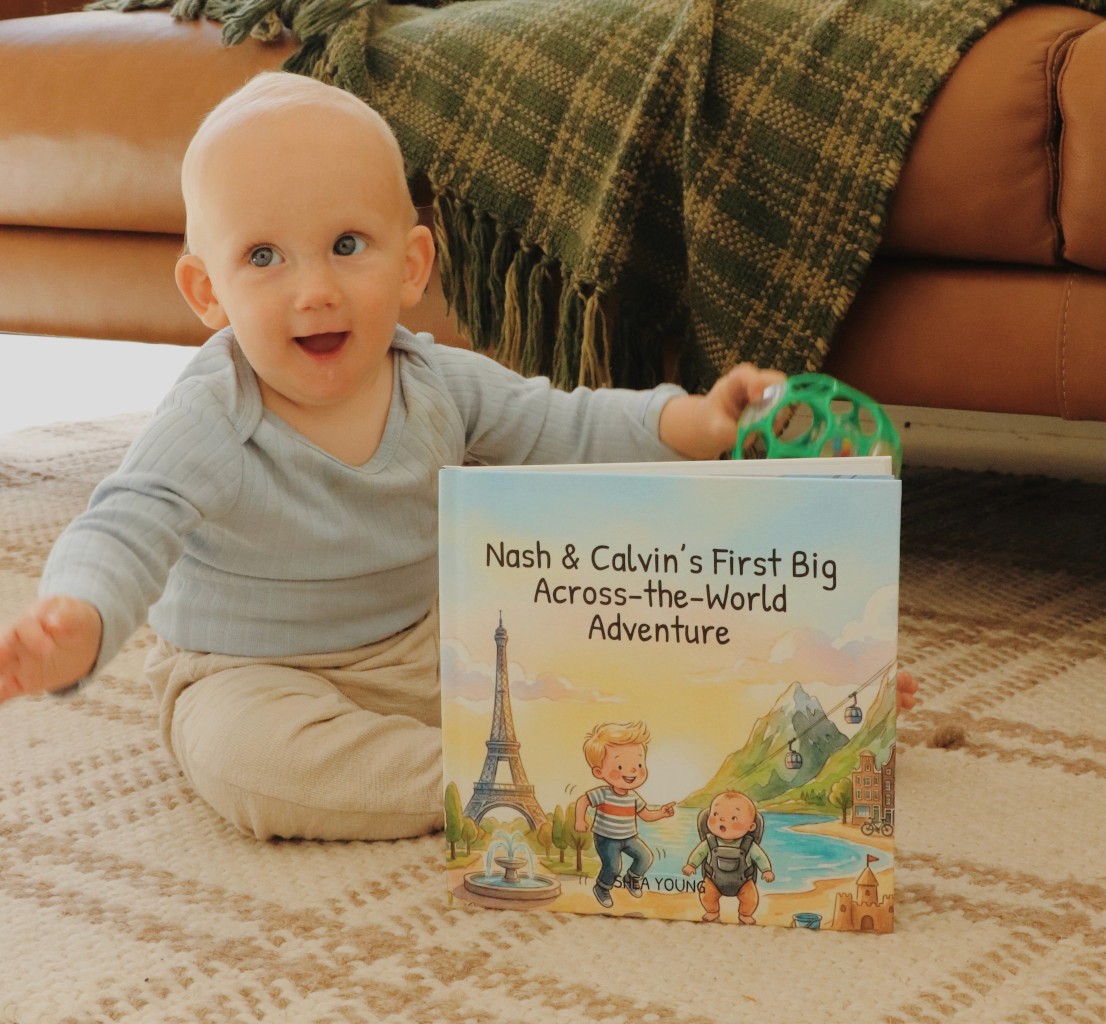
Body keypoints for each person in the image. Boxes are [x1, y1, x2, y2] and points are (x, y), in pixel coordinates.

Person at [0, 71, 914, 842]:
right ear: (207, 290)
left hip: (427, 644)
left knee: (606, 635)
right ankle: (523, 783)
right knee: (251, 764)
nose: (314, 290)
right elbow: (128, 520)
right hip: (251, 673)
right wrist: (77, 616)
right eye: (265, 256)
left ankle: (793, 710)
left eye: (347, 246)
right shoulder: (212, 414)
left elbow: (561, 428)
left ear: (412, 265)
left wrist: (693, 422)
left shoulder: (435, 382)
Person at [574, 721, 675, 907]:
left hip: (629, 837)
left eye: (639, 764)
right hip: (606, 839)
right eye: (621, 766)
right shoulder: (603, 793)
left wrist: (661, 813)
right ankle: (602, 888)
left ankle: (632, 878)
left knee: (645, 857)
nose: (633, 771)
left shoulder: (633, 797)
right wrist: (579, 819)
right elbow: (583, 801)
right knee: (613, 867)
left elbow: (646, 815)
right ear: (599, 771)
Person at [683, 790, 774, 924]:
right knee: (707, 895)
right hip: (714, 880)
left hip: (743, 882)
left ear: (751, 826)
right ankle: (712, 911)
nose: (721, 821)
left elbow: (760, 858)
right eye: (716, 814)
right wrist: (691, 865)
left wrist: (766, 870)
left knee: (750, 898)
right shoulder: (710, 842)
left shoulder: (749, 845)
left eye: (733, 818)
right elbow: (699, 853)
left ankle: (745, 914)